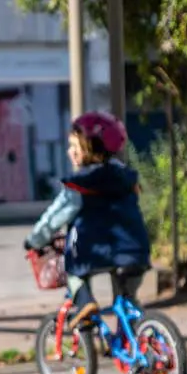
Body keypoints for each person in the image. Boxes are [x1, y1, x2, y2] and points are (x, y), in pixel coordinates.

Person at [24, 112, 151, 329]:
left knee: (73, 270)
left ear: (89, 150)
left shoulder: (79, 185)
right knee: (127, 300)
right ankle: (136, 343)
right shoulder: (127, 177)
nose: (69, 152)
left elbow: (55, 217)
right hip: (135, 249)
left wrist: (34, 240)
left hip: (92, 250)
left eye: (74, 147)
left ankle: (86, 302)